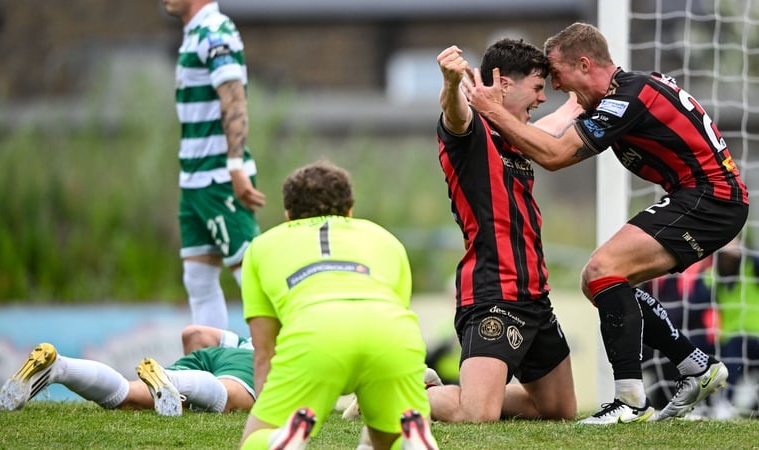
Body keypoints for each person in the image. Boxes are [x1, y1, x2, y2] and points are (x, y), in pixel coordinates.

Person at [464, 22, 749, 423]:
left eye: (559, 77)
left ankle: (631, 401)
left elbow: (555, 156)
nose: (557, 89)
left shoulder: (627, 99)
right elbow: (548, 132)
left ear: (584, 63)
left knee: (602, 269)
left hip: (711, 198)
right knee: (600, 280)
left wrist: (492, 110)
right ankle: (695, 364)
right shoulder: (622, 93)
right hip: (706, 198)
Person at [429, 39, 581, 424]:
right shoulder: (471, 130)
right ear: (504, 85)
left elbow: (561, 120)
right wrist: (450, 83)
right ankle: (401, 392)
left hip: (534, 297)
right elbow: (456, 113)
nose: (542, 98)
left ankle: (441, 392)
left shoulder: (515, 135)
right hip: (493, 293)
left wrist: (593, 88)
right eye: (537, 87)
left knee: (557, 411)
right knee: (476, 414)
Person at [239, 161, 438, 450]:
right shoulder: (385, 238)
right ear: (349, 211)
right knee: (391, 437)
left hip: (315, 333)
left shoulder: (261, 246)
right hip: (390, 334)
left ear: (287, 215)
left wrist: (270, 413)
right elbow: (399, 312)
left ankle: (278, 439)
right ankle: (411, 442)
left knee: (254, 441)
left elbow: (264, 350)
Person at [162, 0, 266, 330]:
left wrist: (234, 165)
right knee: (198, 278)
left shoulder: (216, 32)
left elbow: (234, 98)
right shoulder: (194, 33)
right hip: (193, 180)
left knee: (251, 275)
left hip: (217, 177)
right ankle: (212, 368)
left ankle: (287, 358)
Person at [0, 341, 255, 415]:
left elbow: (195, 333)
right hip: (254, 358)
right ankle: (170, 380)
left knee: (128, 396)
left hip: (217, 353)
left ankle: (58, 367)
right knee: (230, 397)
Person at [704, 236, 759, 418]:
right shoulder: (712, 275)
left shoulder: (755, 268)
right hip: (736, 342)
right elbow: (694, 302)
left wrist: (745, 251)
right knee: (725, 355)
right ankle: (723, 404)